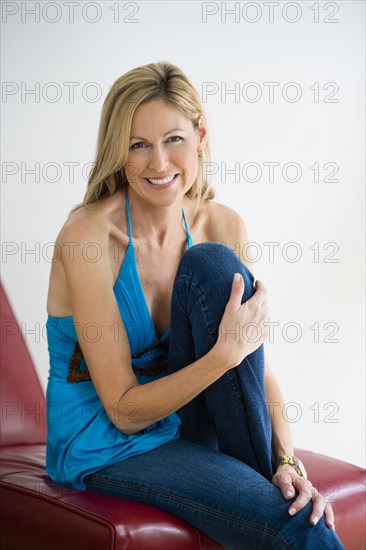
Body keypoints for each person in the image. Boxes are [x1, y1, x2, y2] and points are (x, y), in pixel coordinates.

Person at [45, 61, 345, 550]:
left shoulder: (222, 224)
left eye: (173, 140)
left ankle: (266, 487)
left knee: (211, 264)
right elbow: (123, 410)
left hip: (185, 423)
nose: (159, 163)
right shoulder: (88, 238)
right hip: (108, 444)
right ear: (118, 152)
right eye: (138, 145)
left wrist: (287, 464)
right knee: (295, 523)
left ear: (201, 136)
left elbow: (256, 368)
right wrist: (225, 354)